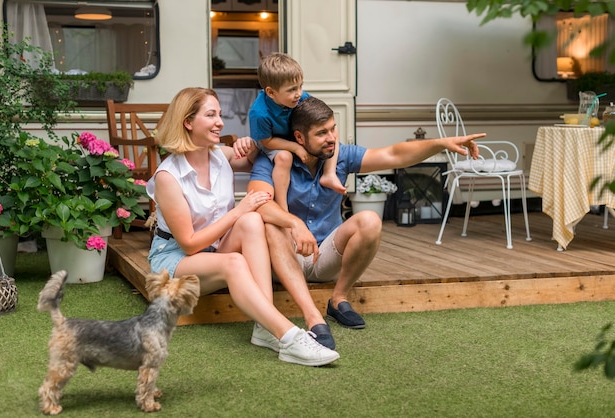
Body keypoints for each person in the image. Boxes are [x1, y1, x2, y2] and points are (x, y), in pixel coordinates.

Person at [248, 97, 485, 349]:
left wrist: (441, 144)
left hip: (323, 256)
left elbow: (393, 155)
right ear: (299, 137)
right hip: (287, 257)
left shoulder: (338, 156)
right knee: (271, 224)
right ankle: (313, 318)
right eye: (321, 133)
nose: (331, 138)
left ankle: (338, 299)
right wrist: (294, 224)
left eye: (332, 129)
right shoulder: (275, 159)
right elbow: (258, 201)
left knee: (369, 220)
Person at [146, 87, 340, 367]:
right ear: (188, 122)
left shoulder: (220, 156)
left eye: (220, 115)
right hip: (175, 262)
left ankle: (263, 328)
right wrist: (239, 209)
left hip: (212, 252)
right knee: (235, 259)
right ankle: (288, 336)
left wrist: (252, 143)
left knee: (251, 221)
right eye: (211, 115)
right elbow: (189, 243)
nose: (220, 122)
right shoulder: (169, 176)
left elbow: (256, 157)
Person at [249, 52, 346, 211]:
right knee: (284, 157)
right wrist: (295, 148)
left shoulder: (301, 97)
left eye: (301, 86)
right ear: (271, 92)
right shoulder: (259, 113)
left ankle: (329, 174)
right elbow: (266, 141)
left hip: (294, 136)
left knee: (331, 130)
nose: (299, 93)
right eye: (292, 89)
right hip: (273, 141)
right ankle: (282, 207)